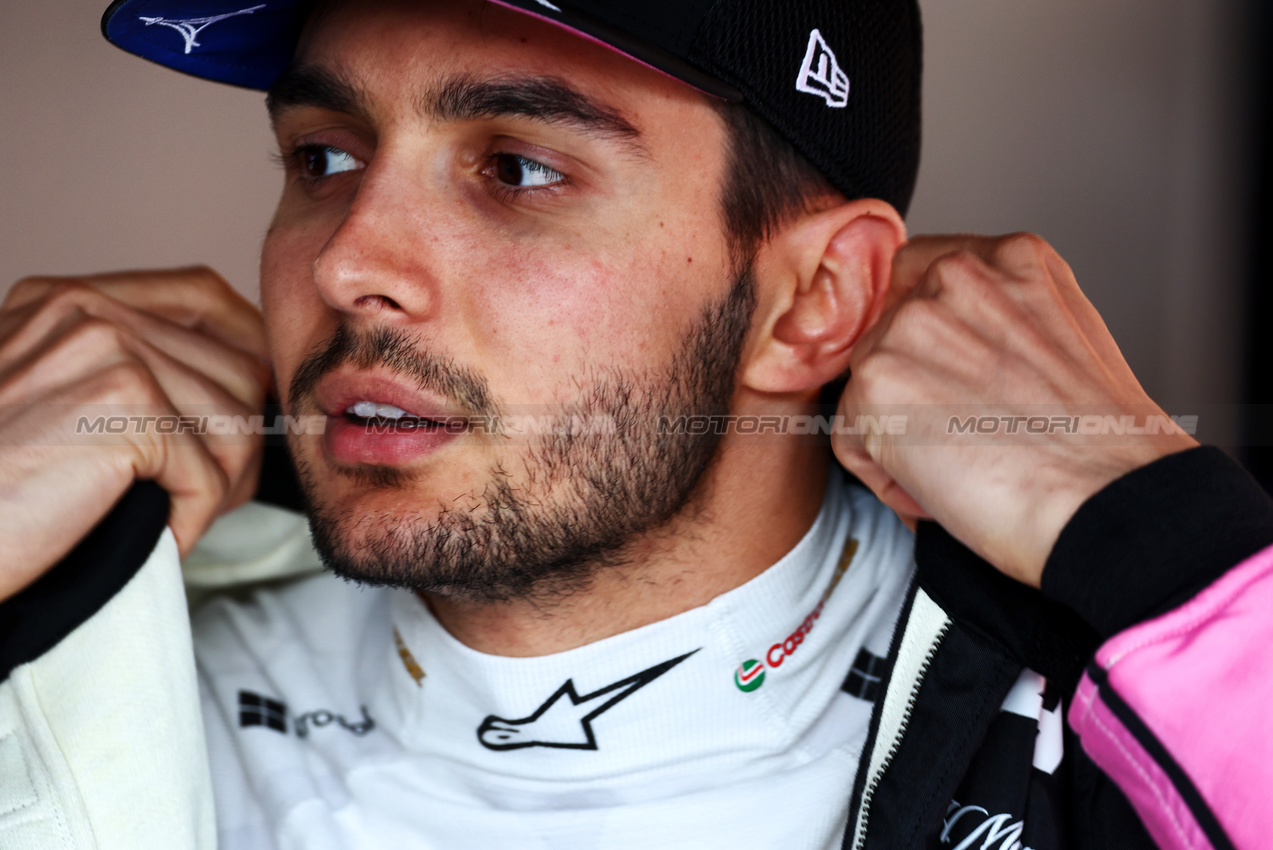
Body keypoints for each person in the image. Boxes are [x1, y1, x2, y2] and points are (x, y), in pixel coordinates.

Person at [0, 0, 1269, 848]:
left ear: (811, 302)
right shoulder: (79, 643)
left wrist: (1166, 546)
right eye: (323, 157)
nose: (347, 264)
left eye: (519, 168)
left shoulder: (1095, 724)